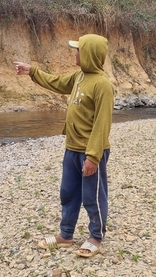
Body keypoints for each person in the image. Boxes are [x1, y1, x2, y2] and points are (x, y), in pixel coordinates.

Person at [13, 34, 114, 258]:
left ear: (89, 54)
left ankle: (96, 237)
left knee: (93, 196)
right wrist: (32, 71)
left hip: (90, 151)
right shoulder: (79, 77)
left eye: (79, 50)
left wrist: (93, 157)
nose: (75, 54)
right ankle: (65, 235)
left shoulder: (103, 85)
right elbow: (57, 83)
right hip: (72, 147)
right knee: (68, 192)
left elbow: (102, 124)